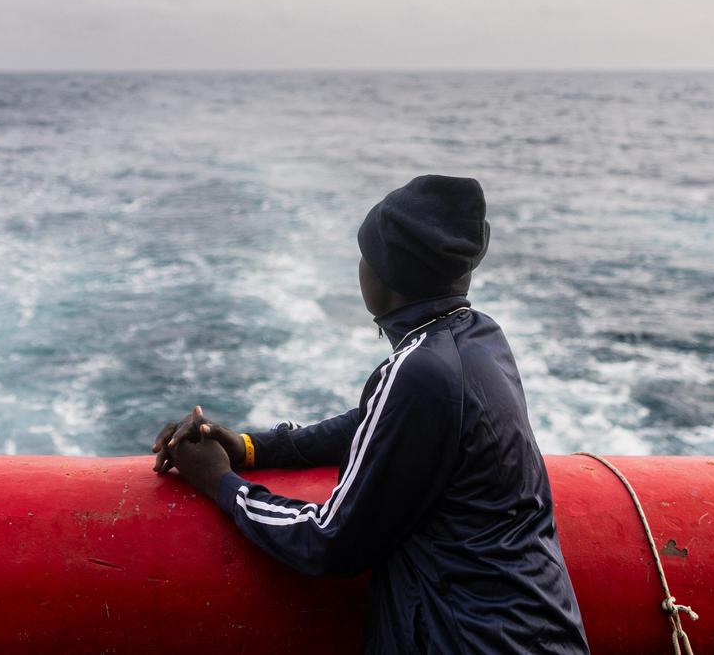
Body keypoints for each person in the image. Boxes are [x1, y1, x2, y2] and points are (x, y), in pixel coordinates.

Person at [151, 175, 589, 654]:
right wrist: (252, 447)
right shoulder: (479, 339)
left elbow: (331, 540)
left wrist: (220, 481)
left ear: (384, 277)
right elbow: (375, 422)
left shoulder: (420, 370)